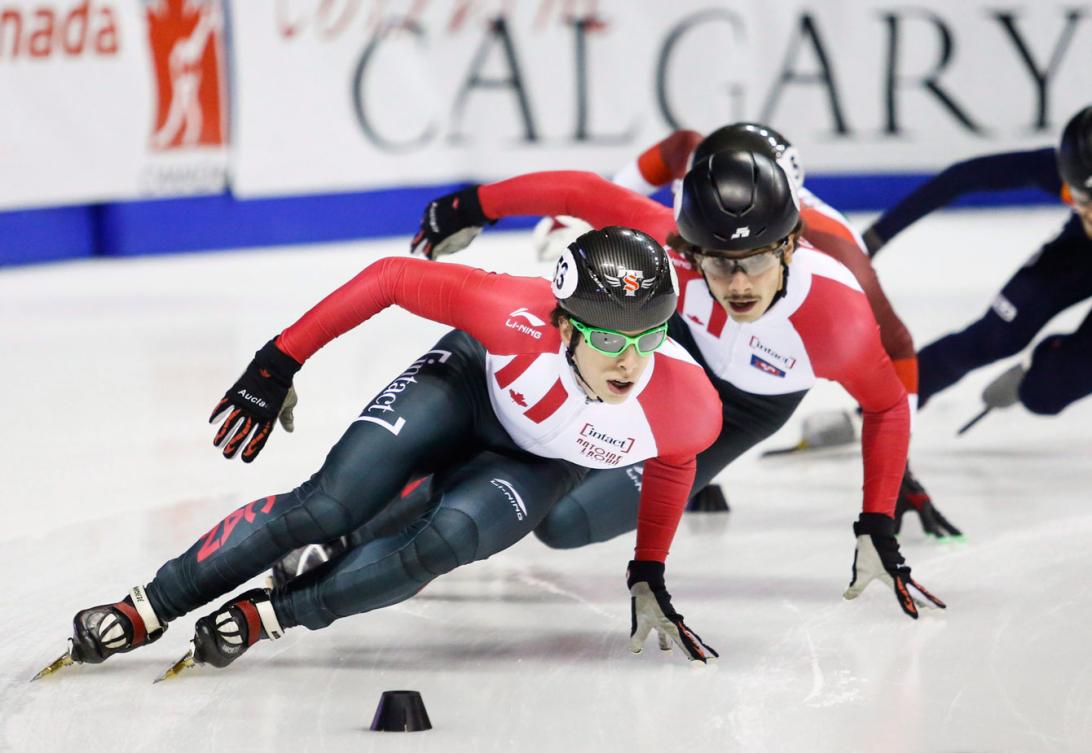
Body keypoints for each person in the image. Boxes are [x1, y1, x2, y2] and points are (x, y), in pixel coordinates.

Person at [34, 227, 724, 681]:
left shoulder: (685, 402)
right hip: (467, 387)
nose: (630, 360)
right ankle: (148, 605)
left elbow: (674, 462)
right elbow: (394, 276)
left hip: (539, 462)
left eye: (649, 337)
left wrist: (648, 571)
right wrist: (278, 362)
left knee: (446, 538)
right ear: (563, 322)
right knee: (328, 504)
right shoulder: (510, 311)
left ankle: (269, 614)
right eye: (607, 339)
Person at [412, 149, 946, 619]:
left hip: (742, 410)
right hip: (670, 356)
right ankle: (396, 505)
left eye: (755, 260)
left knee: (566, 523)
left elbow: (890, 395)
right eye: (714, 260)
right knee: (516, 428)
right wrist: (467, 207)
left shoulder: (840, 306)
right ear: (691, 244)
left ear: (789, 247)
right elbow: (582, 192)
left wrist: (878, 517)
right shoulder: (680, 232)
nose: (737, 284)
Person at [864, 105, 1092, 423]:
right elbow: (966, 176)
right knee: (991, 339)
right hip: (1080, 253)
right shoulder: (1071, 167)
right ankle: (886, 399)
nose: (1090, 215)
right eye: (1080, 200)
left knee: (1046, 393)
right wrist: (874, 238)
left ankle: (1053, 361)